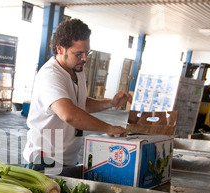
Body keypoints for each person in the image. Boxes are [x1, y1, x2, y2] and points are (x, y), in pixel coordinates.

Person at [23, 18, 132, 172]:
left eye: (87, 53)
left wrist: (110, 103)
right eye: (79, 53)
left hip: (68, 159)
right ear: (60, 49)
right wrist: (108, 128)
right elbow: (69, 114)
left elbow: (81, 103)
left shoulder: (76, 68)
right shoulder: (51, 75)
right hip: (45, 161)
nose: (85, 59)